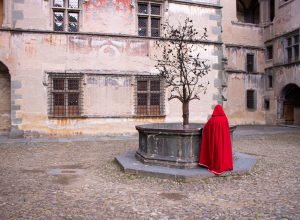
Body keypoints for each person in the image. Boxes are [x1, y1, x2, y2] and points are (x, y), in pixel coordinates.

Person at [199, 104, 233, 175]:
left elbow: (206, 128)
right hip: (224, 140)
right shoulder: (225, 119)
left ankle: (217, 167)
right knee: (223, 152)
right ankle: (225, 166)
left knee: (217, 152)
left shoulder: (212, 120)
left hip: (216, 140)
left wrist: (202, 129)